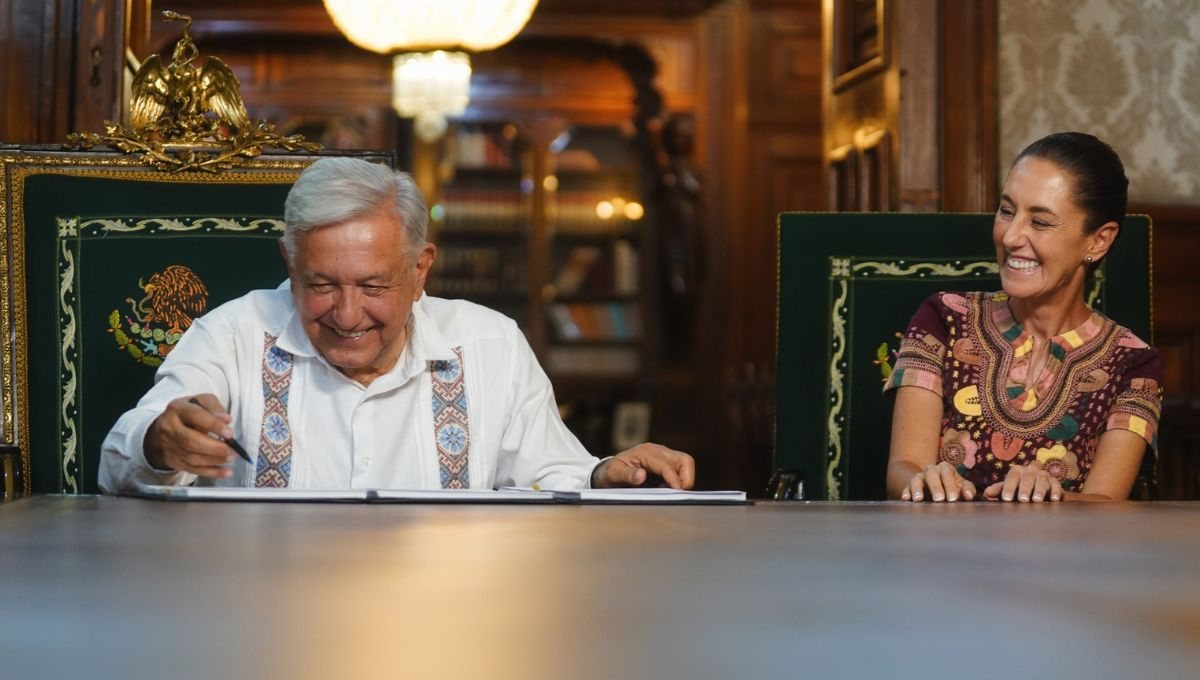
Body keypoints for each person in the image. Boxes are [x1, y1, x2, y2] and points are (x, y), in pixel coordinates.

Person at [99, 157, 694, 493]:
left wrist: (604, 472)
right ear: (290, 263)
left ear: (420, 268)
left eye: (374, 287)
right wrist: (160, 441)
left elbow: (545, 474)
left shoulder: (490, 344)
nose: (348, 315)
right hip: (262, 618)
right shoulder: (230, 334)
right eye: (322, 285)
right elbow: (116, 464)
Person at [884, 132, 1161, 503]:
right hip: (938, 554)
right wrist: (923, 480)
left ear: (1099, 241)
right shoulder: (942, 319)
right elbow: (903, 466)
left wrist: (1052, 496)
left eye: (1041, 222)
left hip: (1063, 561)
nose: (1011, 236)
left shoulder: (1134, 363)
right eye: (1007, 211)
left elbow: (1106, 503)